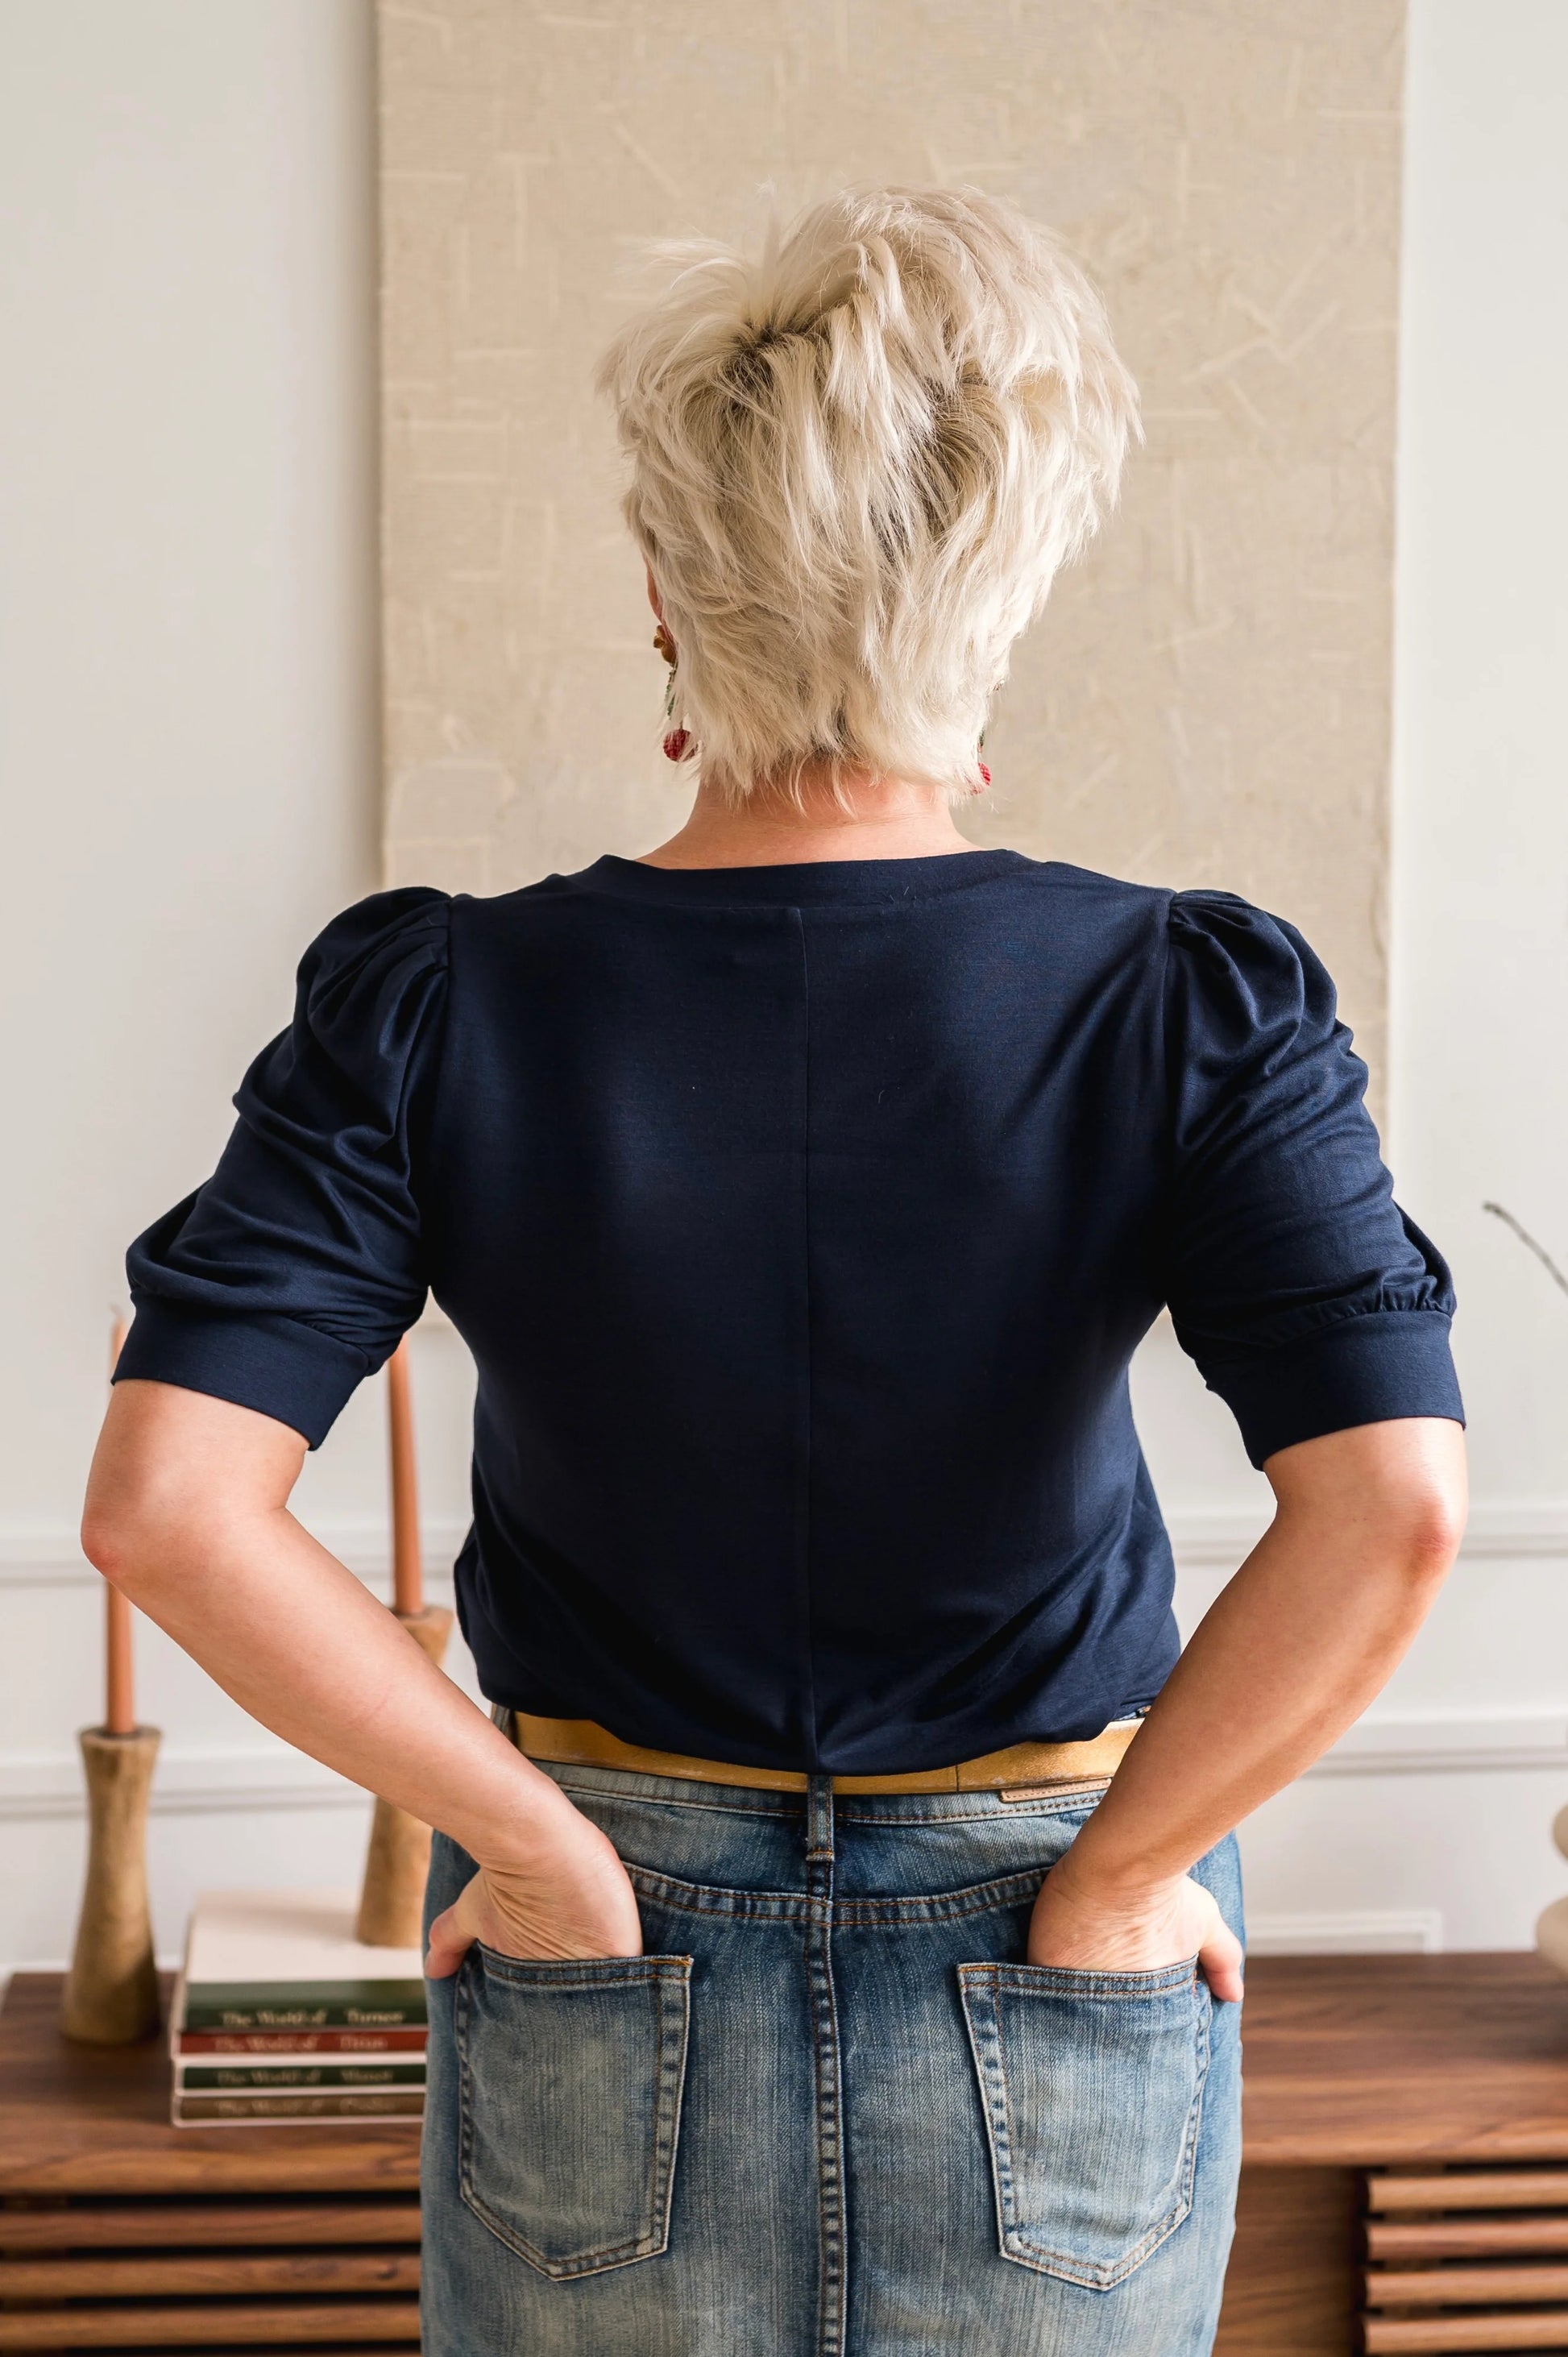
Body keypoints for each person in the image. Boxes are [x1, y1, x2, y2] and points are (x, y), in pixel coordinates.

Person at [82, 187, 1466, 2355]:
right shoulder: (1181, 996)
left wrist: (529, 1855)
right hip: (1051, 1921)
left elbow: (166, 1507)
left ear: (665, 591)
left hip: (587, 1937)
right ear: (1000, 594)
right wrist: (1114, 1881)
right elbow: (1387, 1507)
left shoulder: (437, 1002)